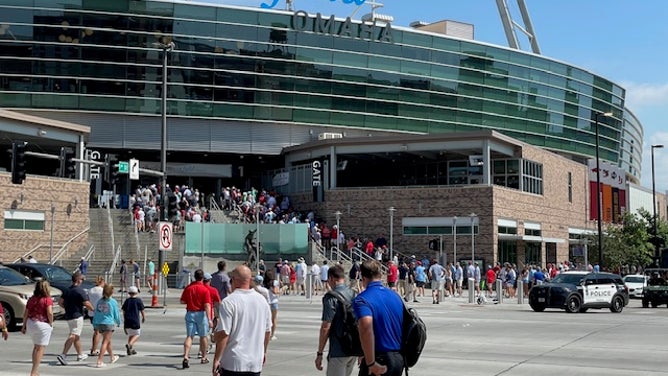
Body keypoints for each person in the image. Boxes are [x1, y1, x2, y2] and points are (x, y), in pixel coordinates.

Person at [211, 265, 272, 375]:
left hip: (233, 362)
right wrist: (264, 352)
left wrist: (217, 359)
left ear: (234, 280)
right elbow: (267, 332)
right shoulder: (262, 301)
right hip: (255, 363)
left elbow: (224, 333)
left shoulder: (229, 302)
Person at [352, 260, 404, 376]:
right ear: (381, 275)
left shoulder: (362, 299)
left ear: (363, 277)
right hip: (398, 358)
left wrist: (370, 362)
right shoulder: (395, 296)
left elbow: (366, 329)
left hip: (379, 358)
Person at [315, 265, 357, 376]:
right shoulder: (354, 294)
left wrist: (320, 353)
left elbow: (326, 326)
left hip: (338, 349)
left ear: (332, 278)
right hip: (353, 348)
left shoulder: (330, 297)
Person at [57, 271, 94, 365]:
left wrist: (67, 307)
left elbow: (60, 302)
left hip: (69, 316)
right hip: (77, 316)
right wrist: (94, 310)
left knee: (76, 336)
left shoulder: (67, 290)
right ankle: (63, 355)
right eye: (82, 279)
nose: (82, 281)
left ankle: (80, 354)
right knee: (73, 335)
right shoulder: (80, 291)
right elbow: (86, 303)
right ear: (78, 280)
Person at [180, 269, 213, 369]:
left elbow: (182, 301)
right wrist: (209, 319)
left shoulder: (189, 288)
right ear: (202, 278)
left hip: (190, 313)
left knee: (189, 336)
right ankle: (203, 357)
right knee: (203, 336)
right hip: (201, 314)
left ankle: (186, 356)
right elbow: (207, 305)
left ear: (194, 277)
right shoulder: (204, 289)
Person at [21, 280, 54, 376]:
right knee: (40, 348)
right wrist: (51, 323)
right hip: (42, 324)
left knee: (36, 347)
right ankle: (34, 372)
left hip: (31, 323)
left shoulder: (32, 299)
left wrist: (24, 326)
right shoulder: (47, 299)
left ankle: (34, 370)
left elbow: (26, 313)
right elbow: (50, 312)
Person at [92, 283, 121, 368]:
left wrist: (95, 323)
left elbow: (96, 313)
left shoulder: (100, 301)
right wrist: (119, 321)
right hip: (108, 323)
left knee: (107, 341)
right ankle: (100, 360)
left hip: (100, 322)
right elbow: (116, 313)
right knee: (105, 342)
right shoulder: (113, 302)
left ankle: (112, 357)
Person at [122, 285, 145, 356]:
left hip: (127, 319)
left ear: (129, 293)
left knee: (131, 334)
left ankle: (130, 349)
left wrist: (124, 318)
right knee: (137, 334)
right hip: (135, 319)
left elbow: (123, 310)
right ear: (136, 293)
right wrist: (144, 317)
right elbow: (142, 310)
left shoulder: (127, 300)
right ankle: (130, 344)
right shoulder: (138, 300)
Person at [87, 276, 105, 356]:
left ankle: (93, 348)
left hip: (91, 313)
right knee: (98, 332)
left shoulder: (90, 290)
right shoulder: (102, 291)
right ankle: (94, 349)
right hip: (100, 313)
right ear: (102, 282)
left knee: (96, 331)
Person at [263, 270, 280, 341]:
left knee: (266, 319)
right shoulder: (275, 282)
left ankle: (265, 333)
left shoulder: (264, 283)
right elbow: (276, 292)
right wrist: (283, 289)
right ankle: (272, 334)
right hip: (274, 302)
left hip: (266, 302)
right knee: (274, 319)